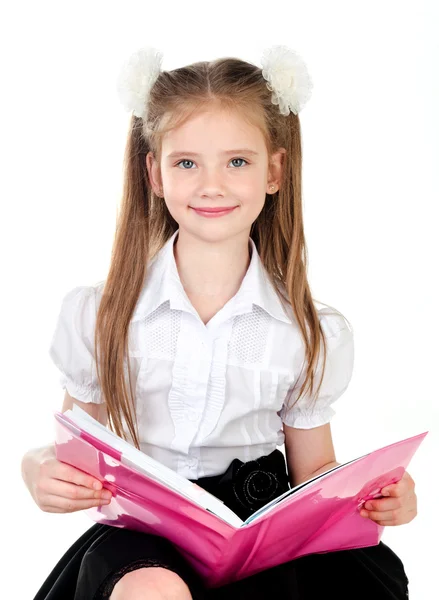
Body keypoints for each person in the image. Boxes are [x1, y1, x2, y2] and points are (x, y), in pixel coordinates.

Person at [21, 45, 417, 600]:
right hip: (144, 533)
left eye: (237, 161)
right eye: (187, 162)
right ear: (154, 173)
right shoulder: (101, 313)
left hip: (259, 528)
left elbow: (314, 470)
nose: (212, 185)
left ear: (274, 170)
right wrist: (37, 467)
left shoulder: (309, 331)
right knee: (150, 591)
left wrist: (377, 497)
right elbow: (74, 448)